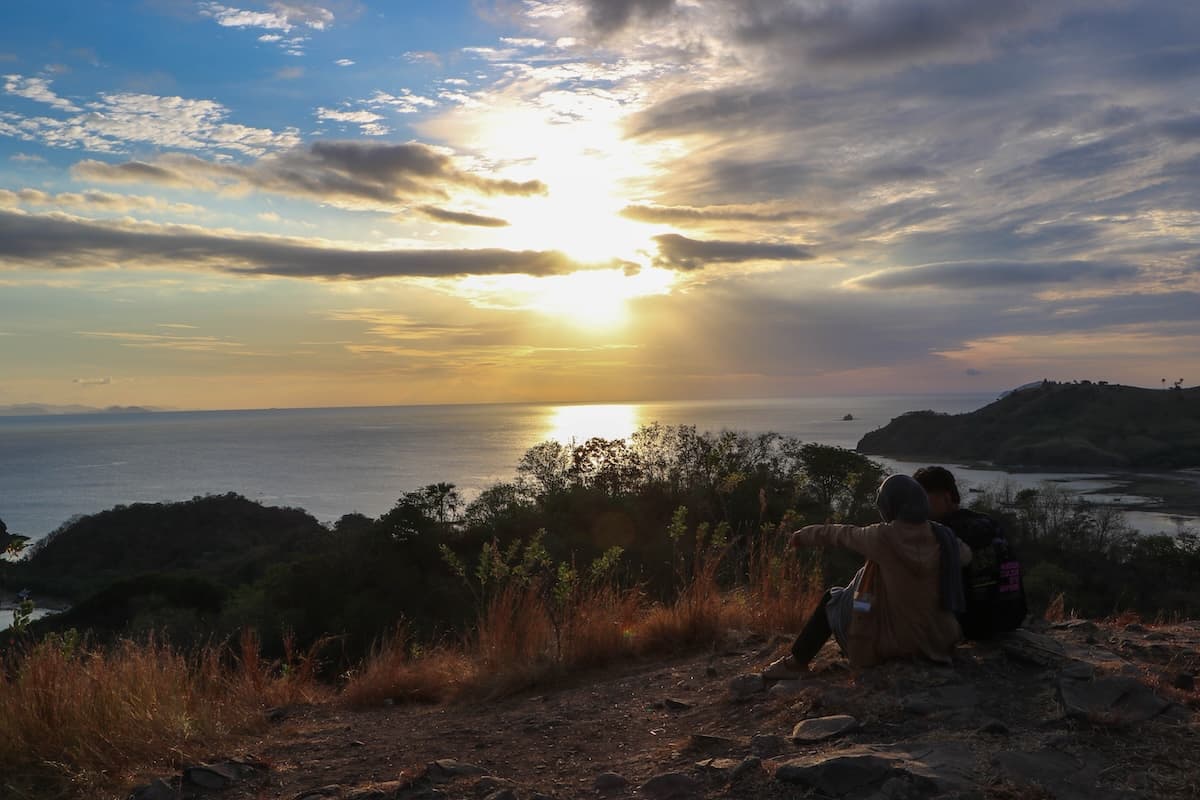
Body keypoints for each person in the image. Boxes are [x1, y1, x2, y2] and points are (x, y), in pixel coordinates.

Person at [763, 474, 971, 677]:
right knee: (875, 573)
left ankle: (796, 663)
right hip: (940, 641)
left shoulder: (883, 537)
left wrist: (801, 536)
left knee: (833, 598)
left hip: (899, 642)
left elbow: (840, 534)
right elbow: (966, 556)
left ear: (889, 507)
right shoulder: (944, 538)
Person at [913, 466, 1027, 638]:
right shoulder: (989, 523)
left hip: (970, 624)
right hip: (1013, 615)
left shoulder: (941, 533)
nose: (919, 505)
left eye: (924, 497)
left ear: (946, 496)